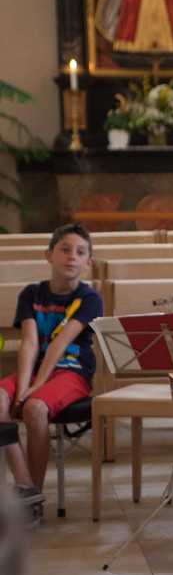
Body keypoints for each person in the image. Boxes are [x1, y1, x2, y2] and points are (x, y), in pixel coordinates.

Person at [2, 223, 103, 526]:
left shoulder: (89, 298)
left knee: (35, 408)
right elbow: (30, 343)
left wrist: (33, 391)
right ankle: (26, 487)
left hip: (72, 372)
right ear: (49, 255)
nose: (72, 256)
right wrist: (23, 387)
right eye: (65, 249)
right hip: (35, 371)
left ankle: (32, 500)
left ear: (88, 262)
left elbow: (59, 343)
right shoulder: (31, 294)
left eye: (80, 252)